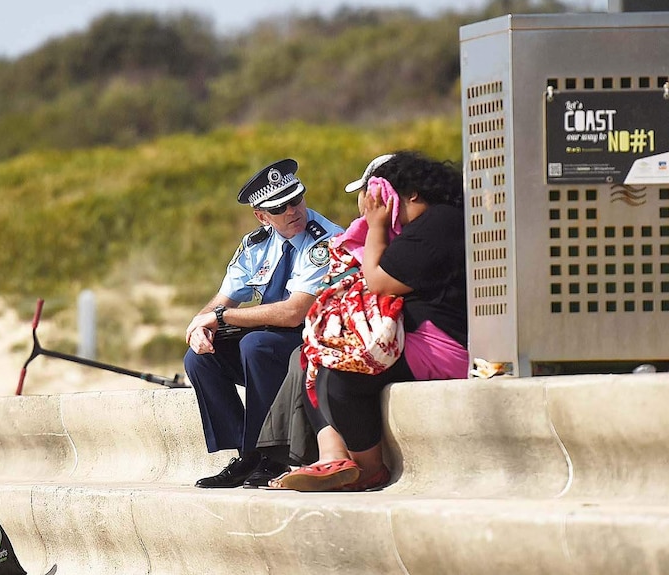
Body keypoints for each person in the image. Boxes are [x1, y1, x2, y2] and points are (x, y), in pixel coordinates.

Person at [268, 151, 469, 492]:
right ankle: (334, 458)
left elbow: (377, 280)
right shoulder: (427, 226)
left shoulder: (439, 223)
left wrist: (376, 225)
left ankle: (369, 467)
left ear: (411, 194)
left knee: (342, 371)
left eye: (383, 199)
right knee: (318, 355)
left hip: (443, 345)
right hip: (424, 338)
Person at [184, 158, 343, 489]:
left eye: (296, 199)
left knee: (256, 345)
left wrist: (221, 317)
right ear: (262, 216)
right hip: (273, 346)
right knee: (201, 357)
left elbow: (294, 312)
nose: (292, 210)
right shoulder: (257, 244)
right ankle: (248, 455)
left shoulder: (324, 240)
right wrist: (201, 325)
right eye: (279, 207)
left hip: (315, 343)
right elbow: (222, 299)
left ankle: (274, 456)